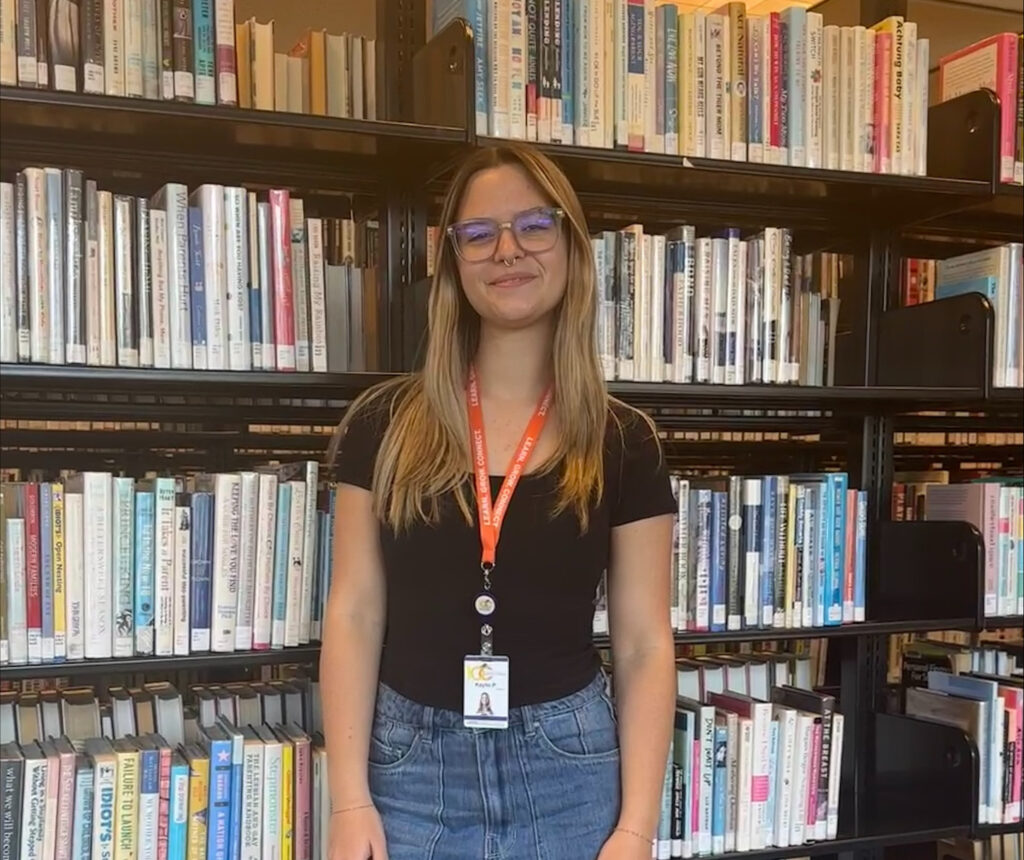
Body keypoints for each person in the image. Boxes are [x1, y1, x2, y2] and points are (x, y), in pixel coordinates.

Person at [321, 141, 677, 860]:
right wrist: (348, 799)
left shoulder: (624, 440)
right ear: (453, 262)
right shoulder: (381, 425)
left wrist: (636, 827)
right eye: (478, 234)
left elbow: (644, 644)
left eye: (533, 226)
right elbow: (355, 612)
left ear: (572, 247)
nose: (506, 250)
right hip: (409, 767)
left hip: (568, 768)